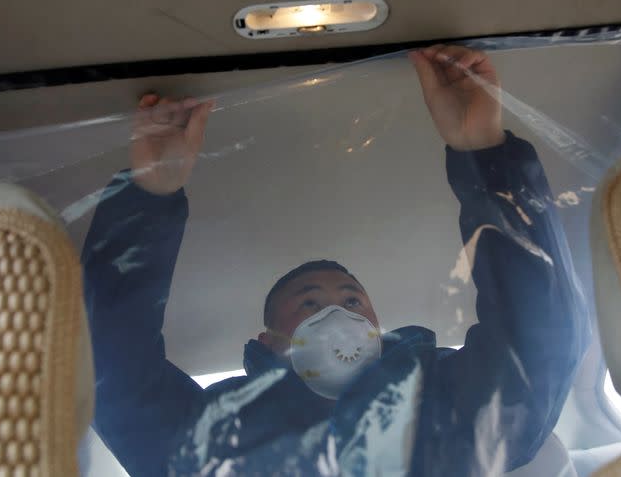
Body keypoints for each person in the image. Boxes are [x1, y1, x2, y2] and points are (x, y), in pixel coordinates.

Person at [82, 45, 589, 476]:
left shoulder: (446, 405)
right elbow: (113, 375)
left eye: (352, 300)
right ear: (270, 343)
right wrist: (149, 193)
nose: (339, 314)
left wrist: (484, 150)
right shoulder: (225, 434)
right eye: (309, 304)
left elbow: (539, 337)